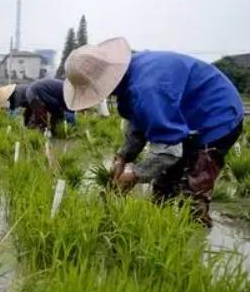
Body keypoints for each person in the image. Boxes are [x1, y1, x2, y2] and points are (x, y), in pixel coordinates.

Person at [64, 37, 245, 227]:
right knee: (163, 186)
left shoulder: (147, 89)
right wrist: (123, 157)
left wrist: (134, 175)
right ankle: (160, 230)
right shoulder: (132, 77)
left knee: (191, 195)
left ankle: (196, 239)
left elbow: (169, 151)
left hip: (218, 117)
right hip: (186, 117)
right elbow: (139, 123)